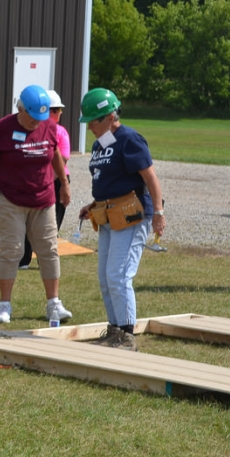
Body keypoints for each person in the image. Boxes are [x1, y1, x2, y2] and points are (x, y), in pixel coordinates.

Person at [0, 85, 72, 325]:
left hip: (43, 199)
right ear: (20, 108)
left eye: (41, 116)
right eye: (32, 117)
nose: (36, 122)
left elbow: (56, 155)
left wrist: (65, 186)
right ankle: (4, 305)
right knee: (12, 250)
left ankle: (54, 304)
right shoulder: (1, 129)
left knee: (49, 250)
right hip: (9, 199)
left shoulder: (48, 125)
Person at [77, 88, 165, 352]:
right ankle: (114, 330)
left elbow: (150, 178)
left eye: (93, 120)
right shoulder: (100, 143)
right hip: (108, 215)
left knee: (119, 274)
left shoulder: (129, 139)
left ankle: (127, 335)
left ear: (110, 116)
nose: (90, 126)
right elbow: (108, 180)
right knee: (105, 276)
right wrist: (93, 205)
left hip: (132, 215)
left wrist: (159, 213)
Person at [20, 90, 71, 268]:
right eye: (56, 110)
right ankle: (25, 258)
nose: (60, 114)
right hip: (37, 181)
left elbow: (62, 160)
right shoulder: (39, 130)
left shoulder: (60, 132)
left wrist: (47, 181)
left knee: (51, 223)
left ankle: (44, 259)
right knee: (28, 221)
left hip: (54, 181)